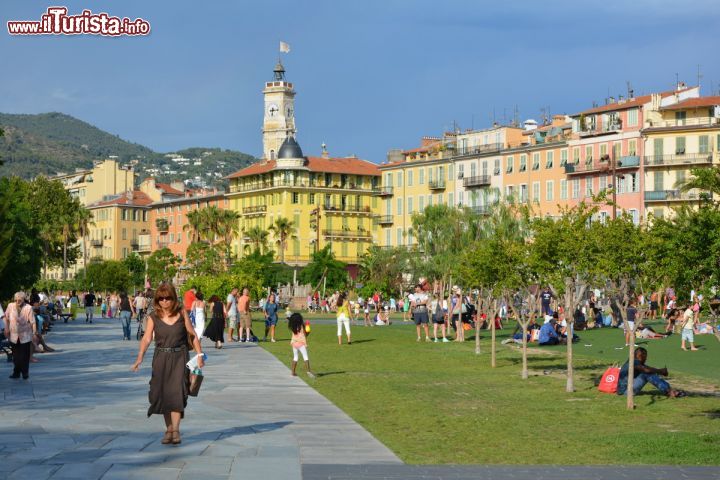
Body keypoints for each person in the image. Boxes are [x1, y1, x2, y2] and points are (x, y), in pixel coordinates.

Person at [131, 283, 204, 445]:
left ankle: (176, 430)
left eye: (168, 298)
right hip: (161, 358)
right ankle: (169, 429)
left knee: (177, 392)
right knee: (163, 394)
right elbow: (147, 338)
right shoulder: (153, 317)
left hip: (180, 357)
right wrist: (139, 357)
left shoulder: (181, 313)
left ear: (173, 298)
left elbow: (192, 335)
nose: (165, 301)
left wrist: (199, 354)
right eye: (161, 298)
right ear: (157, 300)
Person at [617, 347, 683, 398]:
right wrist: (661, 371)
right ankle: (669, 391)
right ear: (640, 356)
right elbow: (646, 370)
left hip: (623, 390)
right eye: (645, 357)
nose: (646, 359)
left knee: (648, 372)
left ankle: (668, 389)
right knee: (646, 373)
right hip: (625, 392)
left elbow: (648, 368)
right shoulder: (635, 362)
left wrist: (660, 371)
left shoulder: (633, 361)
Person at [4, 292, 37, 380]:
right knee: (16, 356)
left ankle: (25, 373)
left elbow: (33, 322)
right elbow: (6, 318)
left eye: (19, 300)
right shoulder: (10, 306)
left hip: (25, 335)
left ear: (23, 299)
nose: (17, 301)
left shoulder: (28, 307)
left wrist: (34, 333)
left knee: (24, 356)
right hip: (13, 334)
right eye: (16, 299)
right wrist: (6, 328)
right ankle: (16, 372)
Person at [288, 312, 315, 378]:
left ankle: (293, 372)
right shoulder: (302, 326)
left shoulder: (293, 326)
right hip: (301, 344)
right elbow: (305, 335)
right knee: (305, 357)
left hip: (294, 343)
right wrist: (308, 331)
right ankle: (308, 371)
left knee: (295, 357)